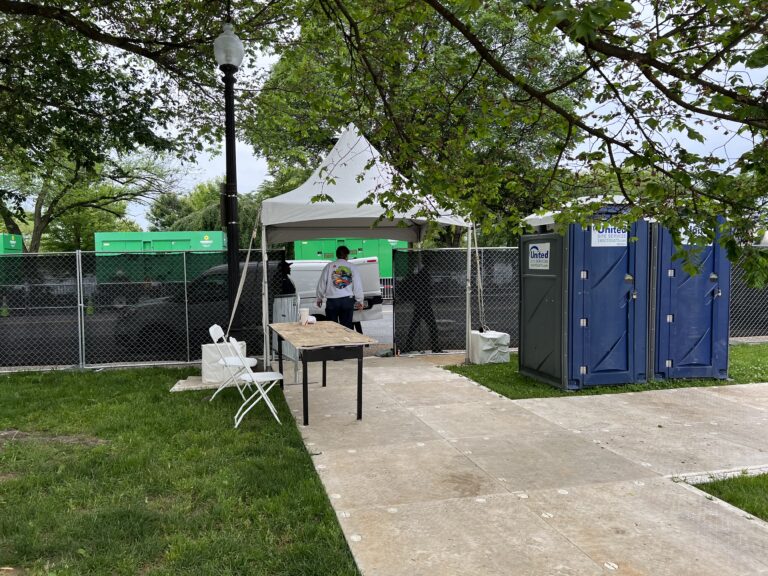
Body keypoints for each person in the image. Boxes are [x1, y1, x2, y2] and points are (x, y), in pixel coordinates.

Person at [316, 246, 363, 329]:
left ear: (337, 255)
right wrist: (360, 300)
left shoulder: (329, 266)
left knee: (332, 328)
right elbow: (357, 285)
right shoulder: (352, 267)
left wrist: (319, 298)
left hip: (332, 302)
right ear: (347, 255)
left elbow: (322, 283)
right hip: (347, 301)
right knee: (347, 328)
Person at [402, 262, 441, 353]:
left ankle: (408, 346)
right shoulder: (424, 276)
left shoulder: (416, 276)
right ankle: (435, 347)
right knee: (431, 325)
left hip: (419, 303)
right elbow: (429, 288)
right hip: (424, 303)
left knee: (415, 325)